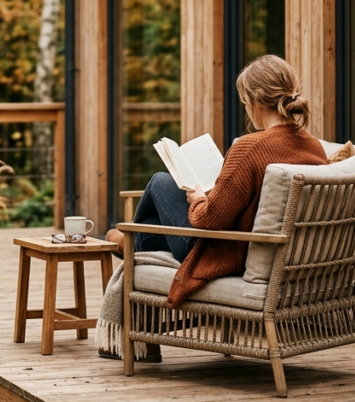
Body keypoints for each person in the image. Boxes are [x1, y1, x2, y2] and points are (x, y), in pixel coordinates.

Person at [105, 54, 327, 309]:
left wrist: (199, 200)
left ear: (255, 101)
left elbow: (209, 220)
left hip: (229, 255)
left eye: (244, 101)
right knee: (154, 224)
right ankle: (133, 240)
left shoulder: (249, 147)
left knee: (160, 181)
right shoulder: (314, 147)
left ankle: (130, 242)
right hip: (284, 255)